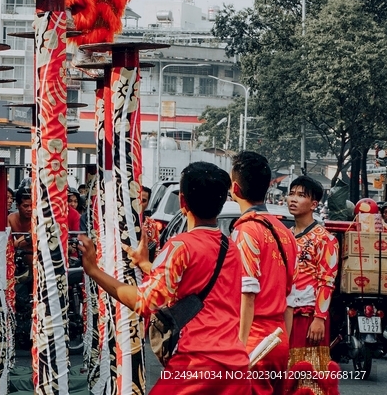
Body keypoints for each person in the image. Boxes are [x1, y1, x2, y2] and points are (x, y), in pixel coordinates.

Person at [79, 162, 250, 394]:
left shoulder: (180, 246)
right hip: (234, 365)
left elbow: (144, 301)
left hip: (195, 366)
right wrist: (146, 264)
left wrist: (94, 271)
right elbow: (192, 283)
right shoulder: (229, 247)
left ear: (182, 201)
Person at [230, 151, 298, 395]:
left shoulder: (246, 231)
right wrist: (285, 346)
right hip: (279, 342)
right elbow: (291, 299)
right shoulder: (287, 233)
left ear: (235, 188)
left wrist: (238, 348)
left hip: (253, 342)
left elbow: (247, 294)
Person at [285, 176, 338, 376]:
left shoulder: (326, 239)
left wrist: (320, 318)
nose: (293, 199)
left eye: (300, 195)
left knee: (309, 375)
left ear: (314, 204)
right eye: (291, 194)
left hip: (308, 318)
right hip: (285, 314)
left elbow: (327, 281)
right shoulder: (285, 236)